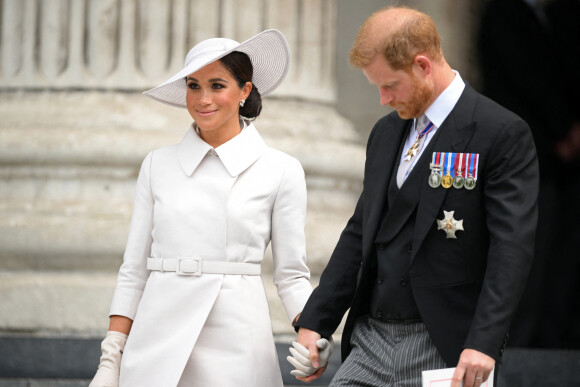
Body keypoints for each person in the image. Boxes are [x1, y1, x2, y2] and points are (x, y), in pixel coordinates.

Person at [288, 6, 539, 387]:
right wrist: (315, 322)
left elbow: (512, 247)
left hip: (445, 345)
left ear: (423, 65)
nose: (383, 99)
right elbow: (360, 232)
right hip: (370, 339)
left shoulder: (500, 132)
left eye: (389, 85)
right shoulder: (385, 133)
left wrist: (484, 343)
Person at [89, 29, 314, 387]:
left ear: (245, 90)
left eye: (217, 85)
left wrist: (312, 334)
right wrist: (111, 355)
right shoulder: (157, 165)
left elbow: (291, 275)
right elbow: (133, 269)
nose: (203, 99)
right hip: (156, 338)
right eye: (194, 86)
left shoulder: (281, 170)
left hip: (237, 342)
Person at [479, 0, 580, 348]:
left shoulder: (557, 16)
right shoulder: (505, 13)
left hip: (557, 164)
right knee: (520, 256)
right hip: (524, 156)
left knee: (552, 259)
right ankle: (514, 345)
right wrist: (564, 128)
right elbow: (523, 76)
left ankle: (541, 341)